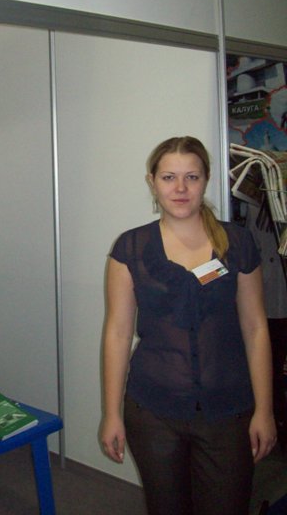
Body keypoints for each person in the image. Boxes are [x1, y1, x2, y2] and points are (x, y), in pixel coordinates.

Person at [101, 136, 276, 515]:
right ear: (152, 182)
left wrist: (265, 409)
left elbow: (255, 328)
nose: (180, 188)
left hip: (228, 411)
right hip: (153, 411)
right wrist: (111, 413)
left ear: (206, 180)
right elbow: (117, 333)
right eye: (169, 177)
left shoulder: (238, 243)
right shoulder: (130, 248)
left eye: (191, 177)